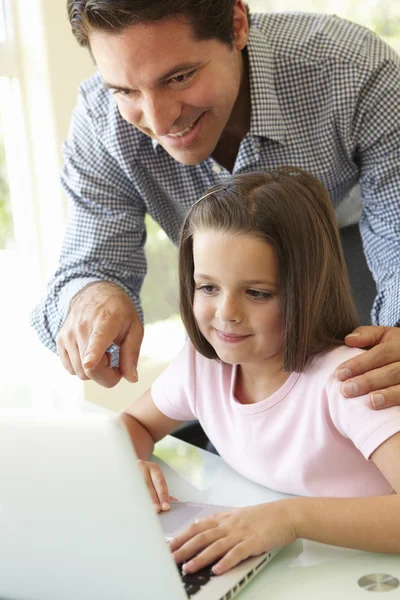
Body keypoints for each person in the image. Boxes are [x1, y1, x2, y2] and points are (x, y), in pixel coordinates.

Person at [31, 1, 400, 408]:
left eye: (180, 77)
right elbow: (88, 267)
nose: (159, 121)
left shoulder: (354, 69)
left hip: (353, 241)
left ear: (237, 26)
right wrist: (92, 298)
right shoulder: (100, 124)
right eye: (126, 90)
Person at [121, 167, 400, 576]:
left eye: (256, 293)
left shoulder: (351, 380)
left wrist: (288, 518)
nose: (226, 314)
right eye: (208, 287)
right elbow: (133, 422)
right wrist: (129, 464)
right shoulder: (202, 366)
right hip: (290, 570)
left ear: (307, 290)